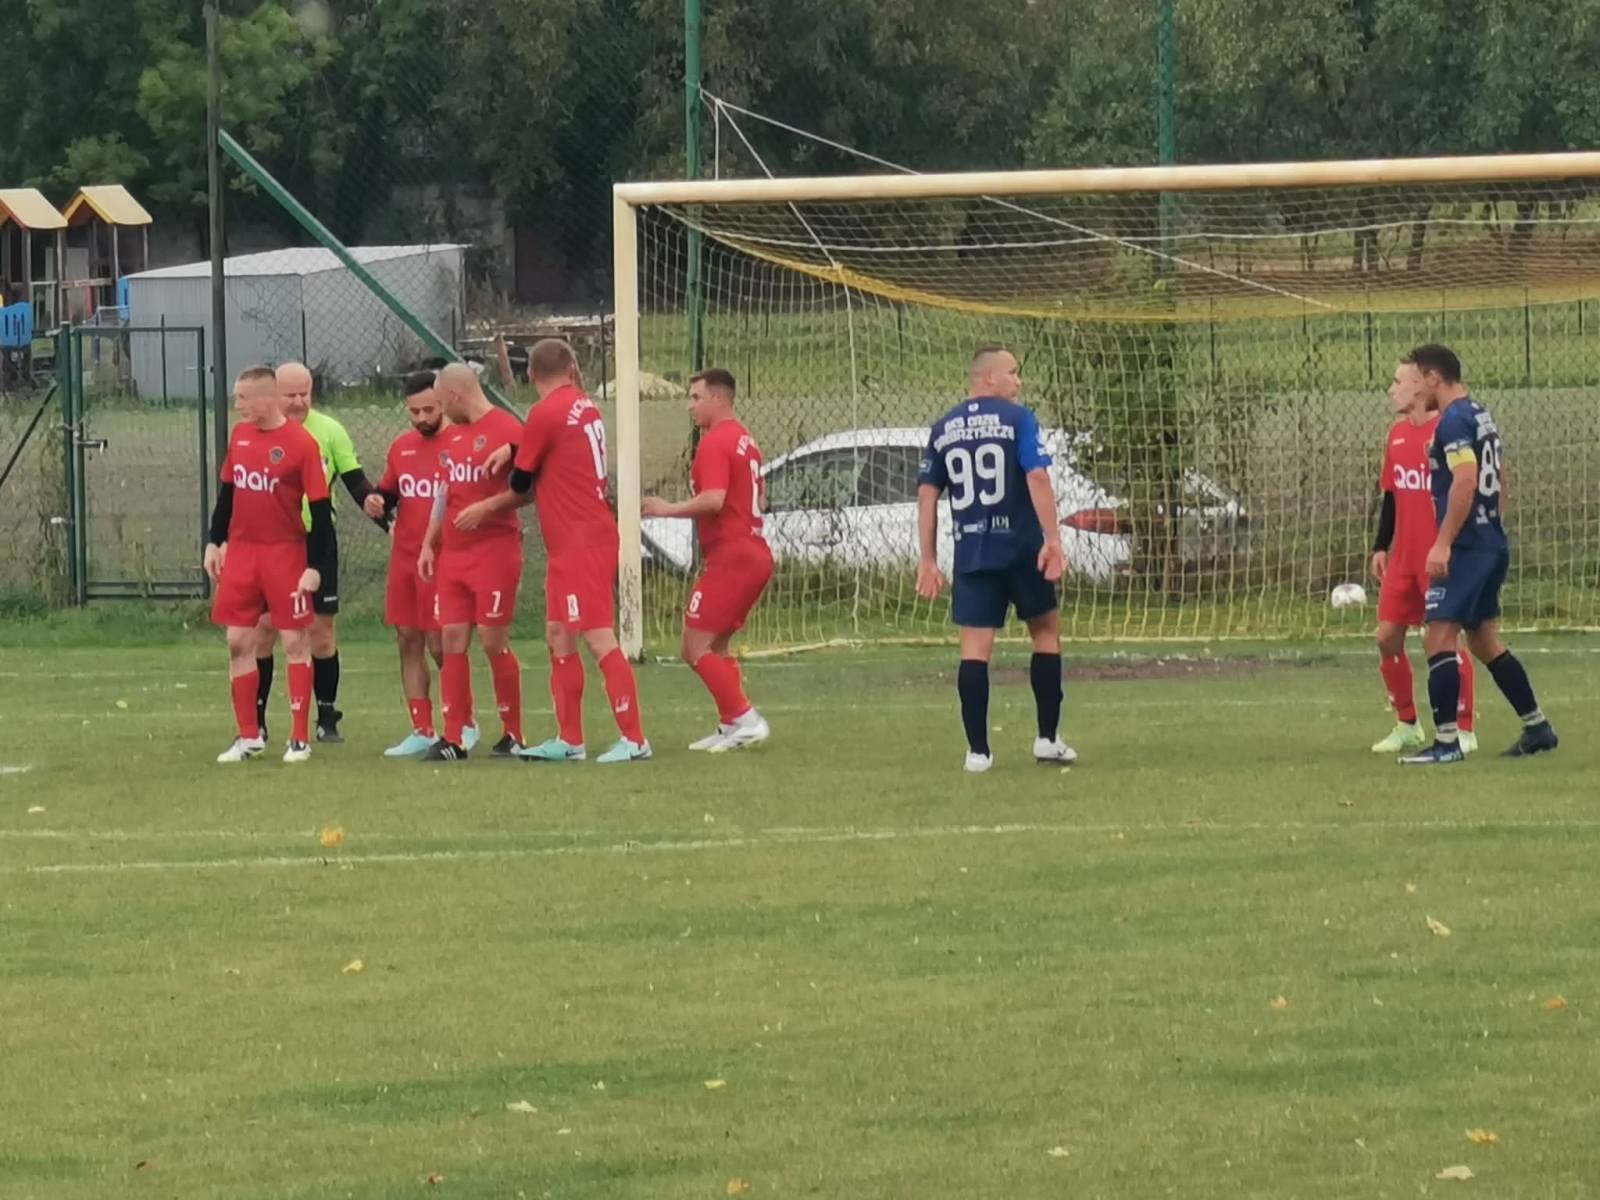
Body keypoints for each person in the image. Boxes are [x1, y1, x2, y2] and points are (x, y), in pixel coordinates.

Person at [469, 338, 651, 764]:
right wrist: (516, 449)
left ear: (531, 374)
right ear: (571, 368)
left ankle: (635, 739)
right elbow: (554, 450)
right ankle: (570, 740)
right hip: (577, 538)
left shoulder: (545, 412)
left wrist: (506, 471)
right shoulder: (583, 404)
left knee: (597, 636)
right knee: (558, 634)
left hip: (579, 539)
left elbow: (521, 483)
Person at [915, 345, 1075, 773]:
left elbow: (927, 495)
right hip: (1022, 548)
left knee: (974, 651)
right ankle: (1047, 738)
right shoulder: (1018, 419)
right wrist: (1053, 539)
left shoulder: (944, 428)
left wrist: (928, 559)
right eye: (1012, 372)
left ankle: (978, 752)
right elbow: (1037, 474)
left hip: (973, 553)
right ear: (988, 377)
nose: (1018, 381)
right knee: (1046, 632)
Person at [1397, 344, 1559, 764]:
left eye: (1417, 380)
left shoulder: (1452, 421)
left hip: (1467, 547)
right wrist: (1491, 523)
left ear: (1434, 378)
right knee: (1484, 641)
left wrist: (1444, 541)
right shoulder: (1480, 414)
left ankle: (1447, 743)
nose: (1415, 390)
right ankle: (1538, 727)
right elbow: (1502, 476)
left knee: (1438, 635)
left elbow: (1466, 479)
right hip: (1490, 541)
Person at [203, 366, 333, 764]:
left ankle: (299, 738)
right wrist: (214, 541)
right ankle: (249, 736)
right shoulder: (240, 436)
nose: (237, 405)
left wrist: (314, 566)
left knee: (295, 641)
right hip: (243, 554)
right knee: (238, 641)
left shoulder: (302, 443)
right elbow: (228, 492)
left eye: (243, 398)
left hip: (285, 553)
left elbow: (321, 511)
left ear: (266, 398)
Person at [642, 368, 772, 750]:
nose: (690, 405)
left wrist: (667, 509)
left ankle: (746, 719)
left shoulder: (716, 442)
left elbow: (714, 500)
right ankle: (732, 724)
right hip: (753, 552)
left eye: (696, 397)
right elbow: (761, 498)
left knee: (693, 646)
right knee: (717, 647)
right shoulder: (745, 439)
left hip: (734, 556)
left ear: (718, 398)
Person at [253, 361, 381, 744]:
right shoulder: (256, 432)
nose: (298, 402)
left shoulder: (329, 431)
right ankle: (256, 721)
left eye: (304, 393)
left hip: (317, 540)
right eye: (289, 395)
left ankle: (327, 716)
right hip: (270, 542)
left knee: (321, 631)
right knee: (263, 629)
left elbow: (355, 481)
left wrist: (377, 506)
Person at [364, 371, 478, 756]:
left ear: (443, 403)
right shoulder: (402, 448)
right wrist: (377, 502)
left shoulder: (461, 443)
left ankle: (463, 721)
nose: (421, 418)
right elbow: (390, 492)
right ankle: (422, 728)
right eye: (414, 411)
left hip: (444, 559)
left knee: (440, 643)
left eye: (429, 409)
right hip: (405, 558)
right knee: (408, 638)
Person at [417, 363, 527, 761]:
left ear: (454, 395)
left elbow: (529, 489)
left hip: (494, 551)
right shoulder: (453, 437)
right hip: (454, 555)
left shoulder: (508, 428)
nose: (441, 411)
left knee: (493, 640)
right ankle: (456, 735)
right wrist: (429, 544)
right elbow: (444, 493)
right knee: (451, 639)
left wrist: (487, 507)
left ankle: (513, 732)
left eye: (441, 402)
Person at [1369, 364, 1477, 754]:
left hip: (1436, 558)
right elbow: (1392, 495)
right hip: (1403, 559)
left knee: (1444, 640)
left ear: (1420, 385)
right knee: (1386, 638)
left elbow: (1466, 488)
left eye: (1397, 382)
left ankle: (1464, 728)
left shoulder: (1445, 433)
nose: (1391, 389)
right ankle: (1407, 724)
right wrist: (1381, 546)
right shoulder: (1397, 435)